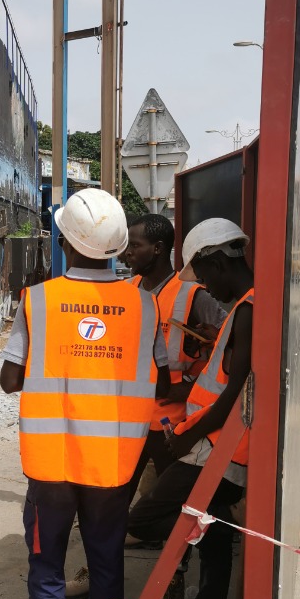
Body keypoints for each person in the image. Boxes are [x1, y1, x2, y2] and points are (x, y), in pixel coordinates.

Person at [0, 188, 170, 599]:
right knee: (106, 559)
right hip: (114, 463)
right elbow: (158, 377)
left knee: (47, 563)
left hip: (51, 462)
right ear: (118, 246)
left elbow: (11, 380)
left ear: (65, 240)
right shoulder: (145, 305)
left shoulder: (38, 300)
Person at [126, 218, 253, 599]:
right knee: (211, 541)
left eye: (206, 277)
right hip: (206, 441)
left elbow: (231, 395)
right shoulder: (245, 307)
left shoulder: (247, 309)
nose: (208, 289)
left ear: (215, 262)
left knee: (145, 519)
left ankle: (216, 532)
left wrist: (185, 437)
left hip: (211, 447)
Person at [123, 213, 226, 504]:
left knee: (171, 498)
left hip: (171, 418)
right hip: (130, 413)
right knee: (118, 490)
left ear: (157, 248)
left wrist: (192, 385)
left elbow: (226, 346)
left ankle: (173, 546)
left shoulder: (192, 295)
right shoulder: (126, 292)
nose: (127, 252)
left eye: (135, 245)